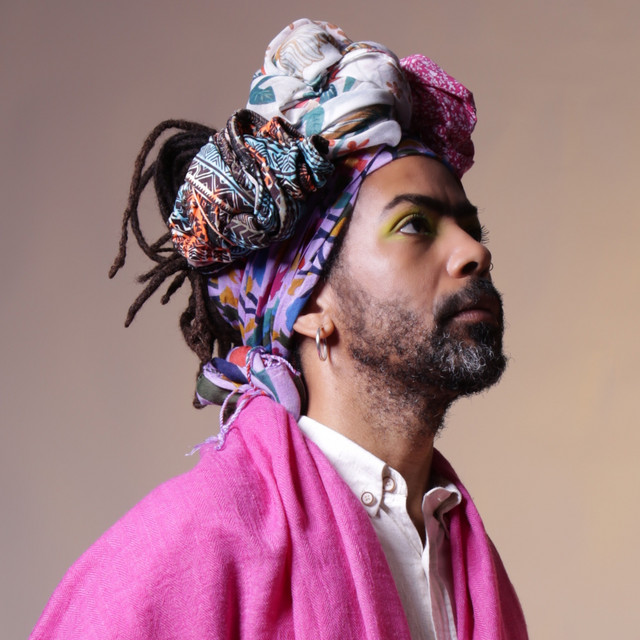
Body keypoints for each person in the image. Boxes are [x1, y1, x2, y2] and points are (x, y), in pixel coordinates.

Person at [30, 19, 528, 640]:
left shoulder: (459, 552)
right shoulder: (192, 544)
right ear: (309, 301)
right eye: (414, 226)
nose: (474, 252)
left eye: (469, 227)